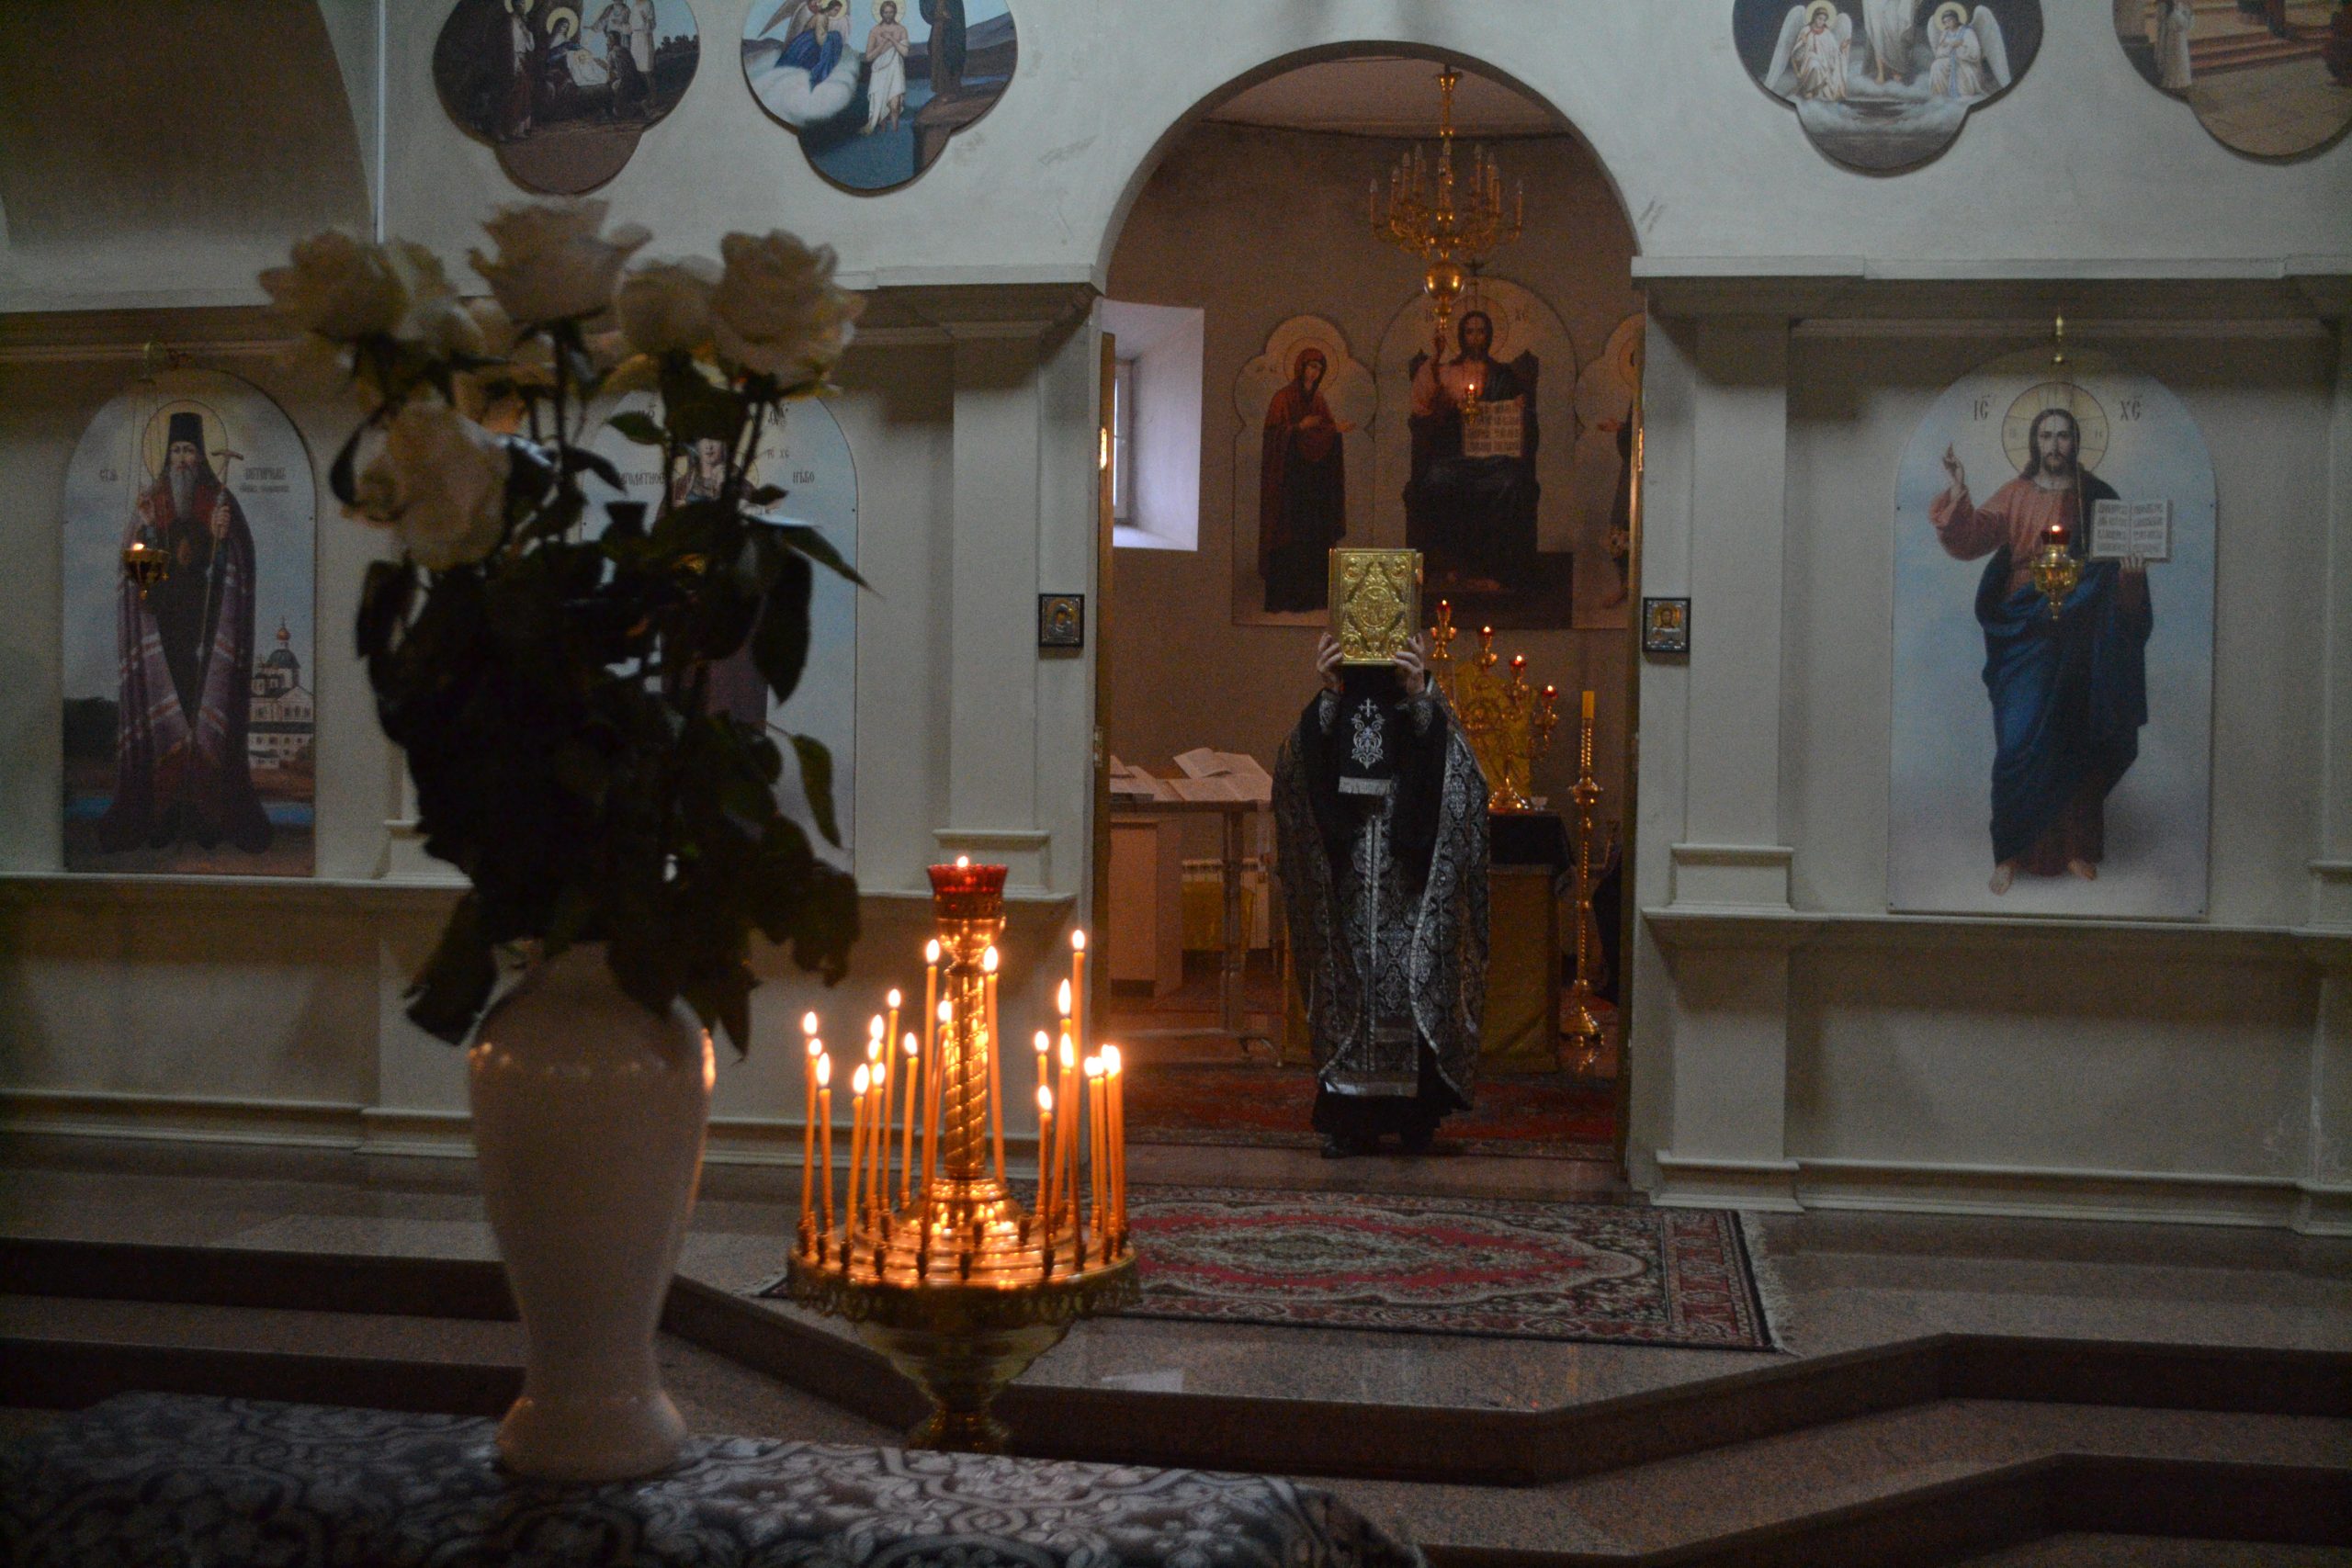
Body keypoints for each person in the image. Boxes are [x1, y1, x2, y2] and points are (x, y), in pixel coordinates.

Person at [1275, 631, 1487, 1157]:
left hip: (1411, 884)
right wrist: (1329, 694)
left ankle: (1416, 1117)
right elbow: (1295, 775)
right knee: (1351, 981)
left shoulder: (1424, 709)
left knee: (1412, 979)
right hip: (1347, 882)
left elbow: (1466, 783)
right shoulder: (1333, 711)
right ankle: (1349, 1118)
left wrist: (1420, 695)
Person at [1930, 407, 2152, 894]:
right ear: (2034, 442)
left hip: (2079, 633)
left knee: (2074, 739)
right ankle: (2009, 853)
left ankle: (2074, 848)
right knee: (2016, 743)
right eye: (2046, 435)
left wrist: (2130, 580)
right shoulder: (2016, 494)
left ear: (2077, 442)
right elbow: (1970, 538)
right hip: (2022, 632)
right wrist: (1959, 491)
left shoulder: (2099, 498)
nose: (2055, 444)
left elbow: (2118, 582)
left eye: (2064, 435)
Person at [100, 412, 272, 854]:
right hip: (165, 636)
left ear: (201, 457)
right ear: (165, 456)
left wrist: (223, 541)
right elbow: (141, 585)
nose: (181, 459)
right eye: (175, 450)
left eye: (189, 451)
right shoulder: (151, 504)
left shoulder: (220, 503)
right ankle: (163, 817)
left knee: (206, 725)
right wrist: (148, 529)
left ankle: (206, 818)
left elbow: (234, 572)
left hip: (208, 637)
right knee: (167, 726)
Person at [1404, 310, 1540, 595]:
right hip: (1456, 456)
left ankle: (1496, 572)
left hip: (1494, 460)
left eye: (1480, 332)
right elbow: (1422, 405)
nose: (1475, 338)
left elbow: (1523, 423)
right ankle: (1450, 567)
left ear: (1489, 336)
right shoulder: (1447, 371)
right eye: (1469, 332)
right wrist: (1436, 357)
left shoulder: (1503, 375)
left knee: (1511, 483)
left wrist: (1519, 407)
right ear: (1461, 336)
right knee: (1435, 480)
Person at [1259, 346, 1353, 614]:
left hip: (1314, 484)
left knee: (1314, 535)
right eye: (1311, 367)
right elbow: (1273, 436)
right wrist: (1299, 427)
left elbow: (1324, 431)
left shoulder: (1319, 399)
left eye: (1319, 369)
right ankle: (1286, 597)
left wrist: (1334, 430)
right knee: (1289, 536)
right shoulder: (1282, 398)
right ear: (1300, 367)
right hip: (1289, 482)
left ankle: (1314, 597)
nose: (1314, 373)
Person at [863, 1, 910, 132]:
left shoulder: (901, 30)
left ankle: (895, 131)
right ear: (881, 13)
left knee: (895, 104)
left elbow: (905, 52)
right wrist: (884, 43)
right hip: (880, 71)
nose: (888, 15)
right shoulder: (875, 31)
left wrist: (892, 39)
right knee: (881, 104)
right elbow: (869, 57)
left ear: (895, 13)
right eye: (885, 12)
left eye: (891, 12)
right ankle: (883, 133)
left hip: (895, 69)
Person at [1790, 4, 1849, 99]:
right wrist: (1804, 43)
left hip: (1824, 62)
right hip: (1808, 61)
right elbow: (1796, 56)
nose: (1821, 22)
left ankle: (1815, 91)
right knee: (1814, 64)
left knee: (1824, 66)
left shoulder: (1827, 33)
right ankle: (1809, 90)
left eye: (1824, 20)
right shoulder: (1806, 30)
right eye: (1819, 18)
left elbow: (1834, 51)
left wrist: (1841, 49)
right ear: (1814, 17)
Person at [2156, 0, 2195, 91]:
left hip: (2175, 39)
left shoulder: (2174, 12)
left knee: (2176, 60)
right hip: (2177, 40)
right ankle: (2178, 83)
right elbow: (2187, 25)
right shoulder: (2175, 15)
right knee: (2178, 59)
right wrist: (2191, 11)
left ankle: (2177, 82)